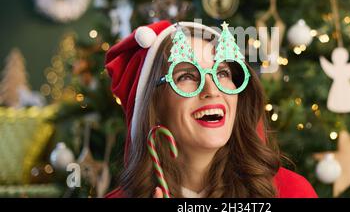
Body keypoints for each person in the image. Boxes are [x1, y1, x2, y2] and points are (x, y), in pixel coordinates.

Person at [104, 20, 317, 198]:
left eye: (223, 73)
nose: (212, 89)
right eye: (186, 76)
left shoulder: (291, 191)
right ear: (155, 105)